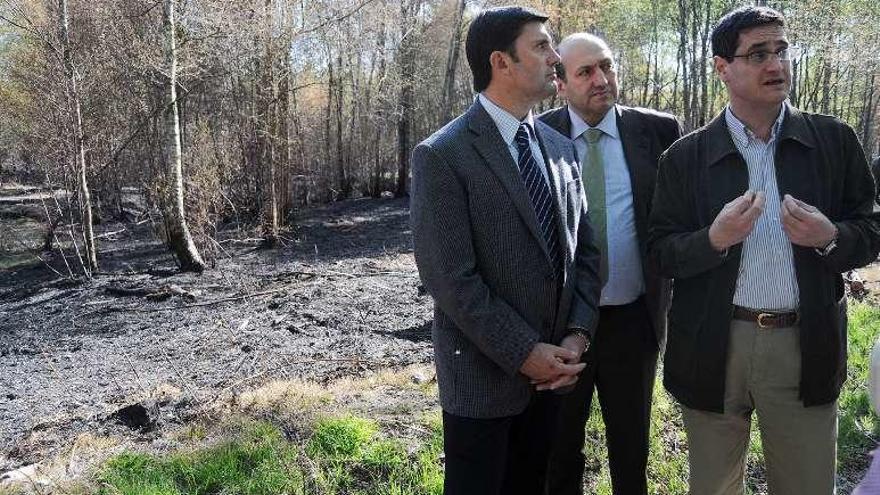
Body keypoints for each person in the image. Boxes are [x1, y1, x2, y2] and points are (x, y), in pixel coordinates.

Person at [649, 6, 880, 495]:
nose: (775, 65)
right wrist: (713, 239)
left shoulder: (833, 141)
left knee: (807, 484)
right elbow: (661, 253)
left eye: (781, 50)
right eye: (758, 54)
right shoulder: (685, 157)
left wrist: (830, 238)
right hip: (713, 343)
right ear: (721, 68)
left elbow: (871, 229)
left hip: (805, 341)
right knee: (713, 485)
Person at [409, 6, 602, 495]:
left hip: (556, 378)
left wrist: (577, 335)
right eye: (541, 46)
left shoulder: (559, 146)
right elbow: (449, 279)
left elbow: (585, 254)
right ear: (501, 62)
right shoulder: (443, 154)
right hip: (483, 387)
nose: (555, 57)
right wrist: (523, 352)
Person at [538, 33, 680, 495]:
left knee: (631, 448)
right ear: (560, 83)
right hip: (561, 327)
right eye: (585, 72)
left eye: (607, 66)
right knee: (558, 449)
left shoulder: (658, 131)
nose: (601, 79)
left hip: (634, 319)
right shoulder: (537, 138)